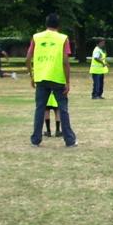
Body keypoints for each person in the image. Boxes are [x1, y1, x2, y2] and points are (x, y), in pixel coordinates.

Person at [26, 13, 76, 148]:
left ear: (46, 24)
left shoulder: (36, 37)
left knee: (40, 109)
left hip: (41, 77)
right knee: (63, 109)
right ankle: (69, 140)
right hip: (58, 78)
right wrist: (68, 81)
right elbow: (65, 61)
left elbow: (28, 58)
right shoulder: (63, 38)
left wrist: (32, 76)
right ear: (58, 25)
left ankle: (36, 139)